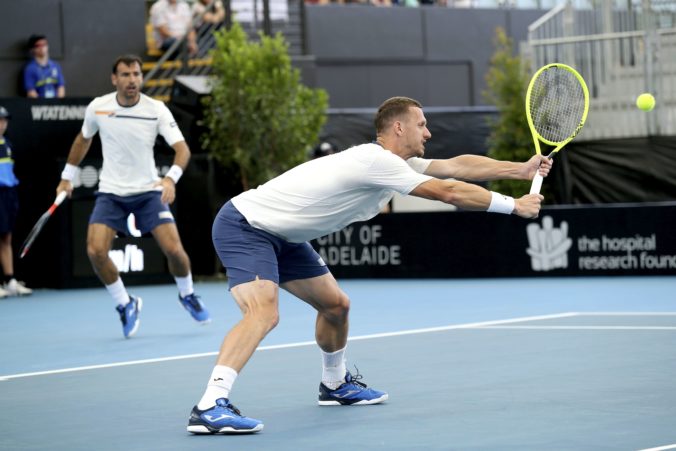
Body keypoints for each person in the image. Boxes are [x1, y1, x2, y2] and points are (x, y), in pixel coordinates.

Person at [186, 96, 551, 434]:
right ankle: (210, 404)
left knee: (336, 306)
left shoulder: (396, 163)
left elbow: (455, 165)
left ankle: (334, 384)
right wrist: (513, 205)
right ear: (398, 128)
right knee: (263, 313)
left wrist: (520, 169)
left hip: (287, 237)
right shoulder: (375, 161)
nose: (428, 132)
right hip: (246, 225)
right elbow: (449, 190)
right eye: (421, 124)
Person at [55, 55, 210, 338]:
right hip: (111, 193)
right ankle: (125, 303)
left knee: (174, 250)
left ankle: (187, 295)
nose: (132, 80)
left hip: (148, 192)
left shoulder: (157, 110)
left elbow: (182, 150)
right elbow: (83, 139)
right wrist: (67, 177)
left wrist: (170, 179)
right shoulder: (98, 108)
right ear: (115, 79)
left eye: (136, 74)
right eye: (125, 75)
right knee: (95, 251)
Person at [0, 106, 33, 298]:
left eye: (4, 120)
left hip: (9, 195)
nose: (2, 124)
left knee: (6, 238)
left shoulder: (8, 144)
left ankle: (10, 280)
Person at [23, 34, 66, 99]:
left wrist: (58, 103)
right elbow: (31, 92)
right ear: (32, 49)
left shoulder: (55, 66)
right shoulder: (30, 68)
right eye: (38, 45)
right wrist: (43, 105)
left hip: (56, 105)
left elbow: (61, 87)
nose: (42, 47)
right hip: (39, 105)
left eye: (44, 44)